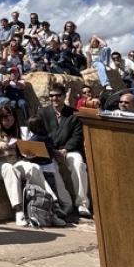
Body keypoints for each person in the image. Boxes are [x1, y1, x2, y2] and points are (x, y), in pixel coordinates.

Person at [0, 104, 52, 227]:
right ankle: (19, 210)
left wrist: (27, 154)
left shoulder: (15, 128)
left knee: (34, 168)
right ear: (0, 118)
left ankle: (51, 205)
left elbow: (19, 149)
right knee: (9, 170)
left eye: (11, 120)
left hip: (14, 160)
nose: (9, 123)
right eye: (6, 120)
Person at [38, 84, 90, 217]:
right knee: (50, 167)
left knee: (78, 164)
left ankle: (82, 203)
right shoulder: (43, 113)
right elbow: (40, 133)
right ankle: (66, 204)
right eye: (51, 96)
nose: (54, 98)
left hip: (69, 150)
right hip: (50, 151)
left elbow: (77, 136)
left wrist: (65, 150)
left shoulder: (74, 114)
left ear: (64, 96)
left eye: (57, 95)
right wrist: (52, 151)